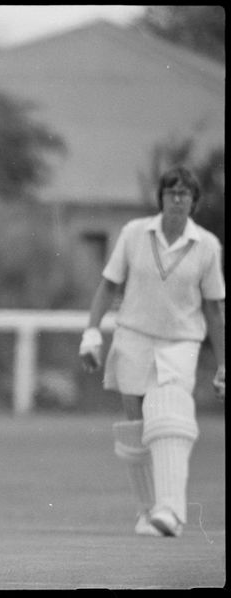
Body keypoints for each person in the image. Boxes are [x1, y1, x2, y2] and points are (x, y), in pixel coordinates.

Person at [79, 165, 225, 538]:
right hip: (134, 338)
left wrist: (223, 364)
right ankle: (148, 511)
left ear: (193, 201)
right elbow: (109, 285)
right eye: (171, 192)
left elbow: (213, 308)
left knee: (170, 417)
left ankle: (170, 510)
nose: (177, 199)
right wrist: (92, 333)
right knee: (137, 430)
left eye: (184, 193)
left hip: (180, 342)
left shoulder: (207, 245)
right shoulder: (134, 233)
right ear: (160, 198)